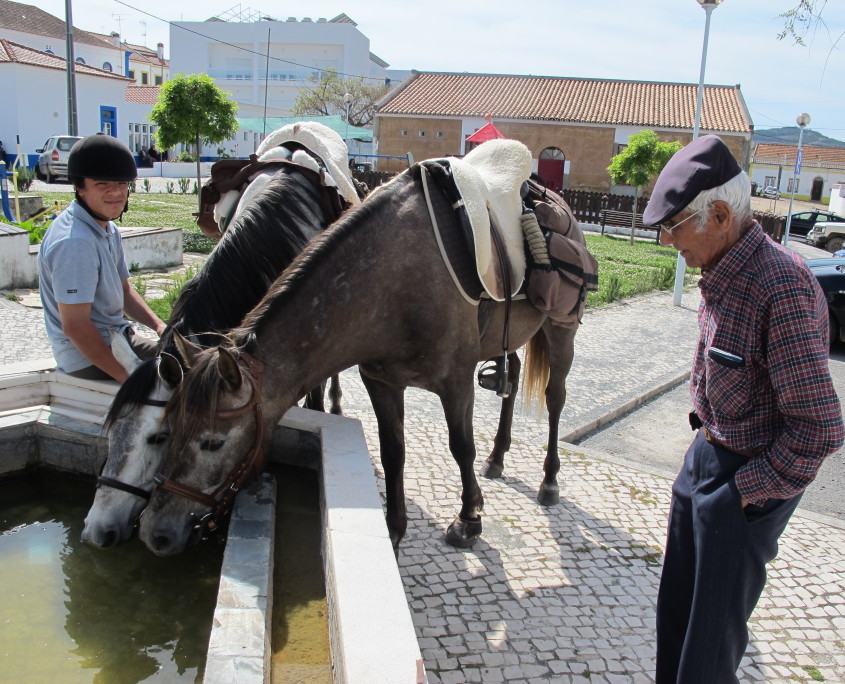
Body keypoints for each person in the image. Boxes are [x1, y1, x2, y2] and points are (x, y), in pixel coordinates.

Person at [642, 134, 844, 684]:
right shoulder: (723, 270)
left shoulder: (782, 285)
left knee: (706, 657)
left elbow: (820, 428)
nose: (665, 240)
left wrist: (739, 495)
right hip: (706, 457)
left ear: (722, 215)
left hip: (747, 485)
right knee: (676, 624)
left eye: (674, 224)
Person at [37, 135, 167, 383]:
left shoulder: (106, 228)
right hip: (86, 356)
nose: (116, 192)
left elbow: (124, 291)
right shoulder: (75, 242)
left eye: (122, 183)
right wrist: (127, 379)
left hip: (117, 338)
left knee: (197, 361)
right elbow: (75, 326)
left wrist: (160, 327)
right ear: (79, 187)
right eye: (102, 184)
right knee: (191, 382)